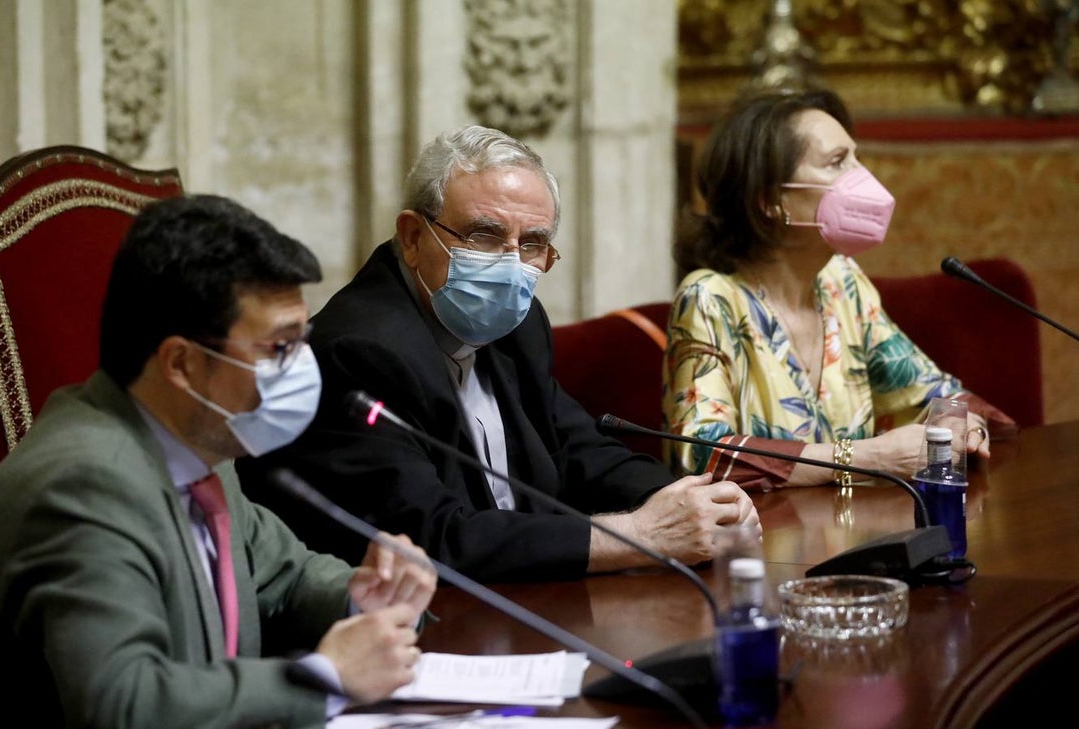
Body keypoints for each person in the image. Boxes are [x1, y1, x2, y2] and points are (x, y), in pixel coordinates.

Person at [0, 195, 437, 728]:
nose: (301, 368)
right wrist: (323, 677)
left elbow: (285, 579)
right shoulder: (84, 484)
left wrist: (366, 598)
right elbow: (124, 702)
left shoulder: (201, 447)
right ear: (182, 363)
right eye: (278, 348)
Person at [238, 125, 760, 583]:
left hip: (527, 600)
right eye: (485, 235)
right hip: (424, 629)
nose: (511, 265)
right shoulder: (359, 351)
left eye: (532, 242)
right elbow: (433, 540)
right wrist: (636, 535)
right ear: (413, 236)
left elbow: (580, 450)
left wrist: (699, 502)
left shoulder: (518, 322)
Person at [664, 89, 1014, 490]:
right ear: (771, 201)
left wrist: (958, 424)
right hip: (761, 544)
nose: (863, 178)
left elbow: (937, 395)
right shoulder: (709, 298)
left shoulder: (842, 284)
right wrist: (866, 458)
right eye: (837, 162)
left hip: (862, 535)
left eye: (856, 158)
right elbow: (703, 456)